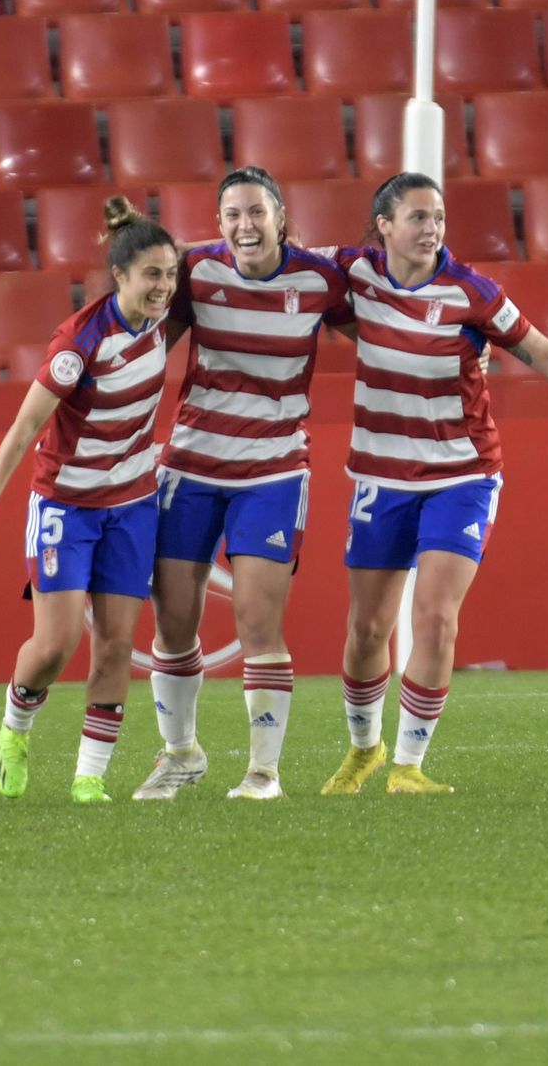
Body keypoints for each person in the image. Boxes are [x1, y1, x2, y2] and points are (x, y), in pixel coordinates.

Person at [319, 172, 548, 796]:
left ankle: (409, 767)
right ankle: (365, 749)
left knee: (436, 618)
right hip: (382, 475)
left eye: (439, 218)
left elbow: (546, 354)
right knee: (367, 629)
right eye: (418, 217)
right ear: (384, 226)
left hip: (462, 475)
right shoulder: (350, 274)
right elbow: (270, 270)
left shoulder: (472, 291)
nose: (432, 229)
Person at [133, 167, 353, 802]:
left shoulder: (319, 279)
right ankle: (180, 755)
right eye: (231, 214)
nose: (244, 225)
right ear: (218, 221)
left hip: (273, 471)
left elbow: (386, 331)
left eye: (256, 212)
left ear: (280, 216)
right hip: (192, 466)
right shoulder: (195, 272)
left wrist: (460, 352)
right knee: (173, 623)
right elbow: (145, 340)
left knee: (259, 621)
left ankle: (263, 773)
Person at [0, 198, 179, 805]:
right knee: (55, 645)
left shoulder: (167, 319)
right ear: (121, 276)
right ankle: (14, 730)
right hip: (65, 506)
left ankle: (89, 776)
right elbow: (26, 428)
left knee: (113, 645)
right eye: (151, 275)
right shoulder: (79, 340)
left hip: (132, 505)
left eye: (170, 274)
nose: (164, 287)